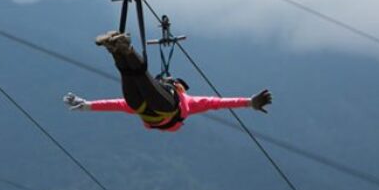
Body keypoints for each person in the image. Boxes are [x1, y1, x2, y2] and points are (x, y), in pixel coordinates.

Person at [63, 31, 271, 132]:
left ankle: (120, 49)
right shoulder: (181, 100)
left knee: (135, 77)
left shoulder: (186, 101)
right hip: (152, 110)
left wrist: (88, 106)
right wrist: (249, 102)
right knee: (134, 76)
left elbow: (218, 103)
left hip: (158, 108)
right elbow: (219, 104)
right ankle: (119, 49)